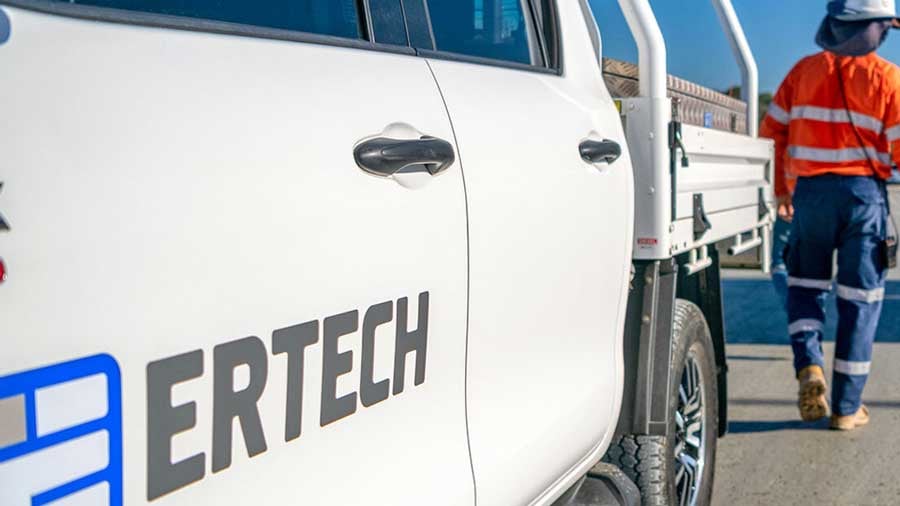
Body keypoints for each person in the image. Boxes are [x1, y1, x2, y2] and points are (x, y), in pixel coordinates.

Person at [760, 0, 899, 431]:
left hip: (811, 195)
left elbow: (772, 133)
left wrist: (783, 188)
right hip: (863, 197)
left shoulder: (803, 72)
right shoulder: (890, 80)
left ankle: (810, 366)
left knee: (805, 287)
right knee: (860, 301)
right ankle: (845, 408)